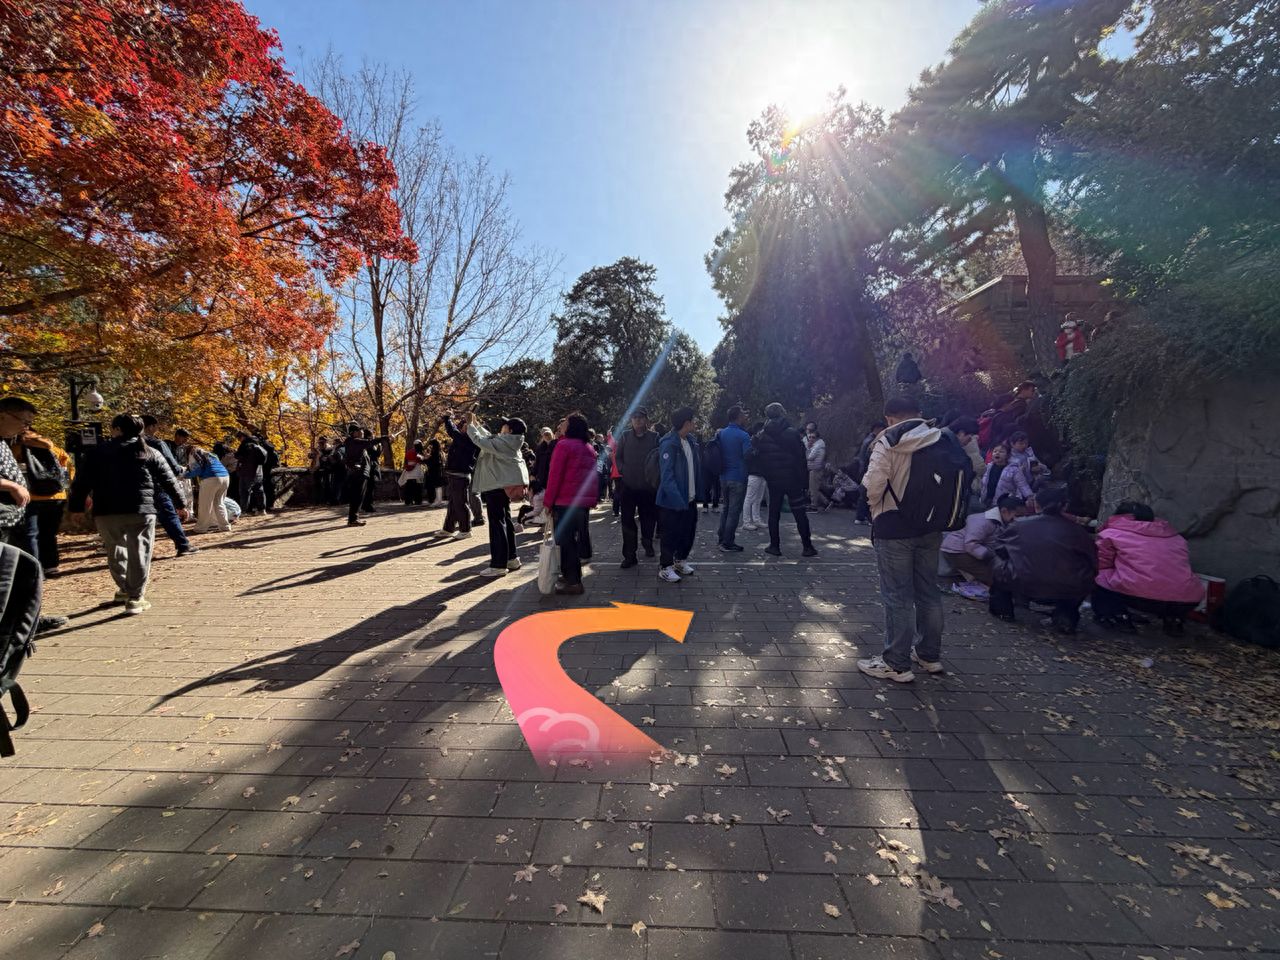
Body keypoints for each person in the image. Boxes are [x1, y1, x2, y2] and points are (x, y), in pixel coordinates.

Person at [858, 396, 970, 683]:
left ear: (889, 418)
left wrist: (874, 508)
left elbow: (874, 484)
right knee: (928, 592)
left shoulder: (889, 440)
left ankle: (896, 663)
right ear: (919, 414)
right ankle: (929, 655)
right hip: (932, 526)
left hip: (894, 526)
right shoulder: (942, 437)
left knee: (897, 596)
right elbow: (973, 468)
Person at [67, 414, 189, 614]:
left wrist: (76, 507)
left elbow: (81, 482)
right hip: (141, 509)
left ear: (116, 429)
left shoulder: (97, 452)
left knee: (115, 550)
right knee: (140, 551)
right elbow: (169, 480)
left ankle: (124, 588)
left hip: (107, 510)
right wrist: (181, 504)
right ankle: (135, 597)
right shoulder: (149, 451)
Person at [988, 485, 1097, 634]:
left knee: (998, 561)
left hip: (1025, 582)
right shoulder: (1079, 532)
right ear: (1065, 506)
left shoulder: (1019, 525)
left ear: (1036, 504)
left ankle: (1003, 610)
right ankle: (1066, 616)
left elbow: (999, 549)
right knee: (1083, 575)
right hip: (1069, 587)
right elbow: (1092, 560)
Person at [1092, 501, 1204, 636]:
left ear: (1118, 515)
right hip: (1187, 600)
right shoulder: (1176, 537)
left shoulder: (1112, 534)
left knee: (1098, 574)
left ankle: (1115, 615)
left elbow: (1101, 563)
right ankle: (1174, 619)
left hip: (1138, 595)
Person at [1, 398, 71, 576]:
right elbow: (68, 465)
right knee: (45, 534)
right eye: (24, 421)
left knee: (33, 536)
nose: (26, 426)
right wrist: (12, 486)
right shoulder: (47, 447)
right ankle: (40, 569)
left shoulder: (8, 443)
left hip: (21, 508)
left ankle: (35, 570)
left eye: (29, 423)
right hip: (45, 499)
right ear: (3, 416)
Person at [751, 403, 817, 558]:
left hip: (773, 480)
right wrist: (804, 481)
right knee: (799, 513)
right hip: (792, 479)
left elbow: (757, 455)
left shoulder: (761, 435)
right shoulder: (792, 433)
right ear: (782, 413)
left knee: (773, 513)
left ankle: (774, 546)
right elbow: (801, 458)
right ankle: (807, 547)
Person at [466, 413, 529, 576]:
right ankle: (511, 558)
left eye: (506, 425)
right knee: (505, 521)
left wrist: (470, 426)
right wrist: (476, 424)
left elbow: (480, 441)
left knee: (497, 523)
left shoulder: (505, 442)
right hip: (502, 484)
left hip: (496, 484)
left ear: (510, 430)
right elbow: (489, 438)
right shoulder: (510, 441)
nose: (502, 427)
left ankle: (498, 565)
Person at [544, 413, 598, 595]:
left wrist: (548, 502)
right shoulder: (588, 448)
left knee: (565, 542)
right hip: (580, 504)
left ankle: (573, 581)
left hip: (565, 502)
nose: (562, 426)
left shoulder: (564, 446)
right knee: (573, 541)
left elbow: (554, 476)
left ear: (571, 426)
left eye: (565, 422)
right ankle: (571, 576)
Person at [939, 495, 1028, 587]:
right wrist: (990, 556)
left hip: (971, 550)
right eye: (1018, 516)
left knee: (997, 570)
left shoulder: (1002, 521)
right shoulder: (983, 521)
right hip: (956, 550)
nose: (1020, 520)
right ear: (1004, 511)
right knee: (992, 575)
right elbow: (970, 544)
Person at [656, 407, 701, 583]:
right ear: (686, 423)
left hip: (689, 500)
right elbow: (667, 477)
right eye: (693, 420)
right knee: (670, 535)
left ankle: (680, 561)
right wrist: (677, 501)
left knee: (687, 534)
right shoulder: (669, 443)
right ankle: (665, 567)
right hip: (672, 502)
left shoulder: (690, 441)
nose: (695, 423)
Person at [143, 415, 197, 555]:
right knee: (168, 514)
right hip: (156, 485)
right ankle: (183, 545)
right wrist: (180, 502)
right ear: (151, 427)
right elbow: (170, 468)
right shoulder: (158, 444)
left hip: (129, 489)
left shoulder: (115, 445)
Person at [614, 408, 659, 568]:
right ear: (631, 420)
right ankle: (629, 556)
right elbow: (617, 457)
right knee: (627, 521)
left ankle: (647, 542)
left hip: (648, 488)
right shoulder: (625, 436)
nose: (638, 420)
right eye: (634, 417)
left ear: (646, 419)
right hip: (628, 487)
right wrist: (622, 469)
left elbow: (659, 459)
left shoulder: (654, 437)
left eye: (641, 417)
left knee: (648, 519)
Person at [716, 405, 751, 552]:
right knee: (734, 511)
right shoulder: (743, 436)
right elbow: (748, 455)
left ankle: (721, 537)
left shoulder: (721, 433)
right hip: (738, 477)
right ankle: (728, 542)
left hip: (723, 476)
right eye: (743, 414)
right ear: (738, 417)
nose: (745, 416)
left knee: (726, 508)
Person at [442, 412, 483, 538]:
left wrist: (448, 418)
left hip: (461, 475)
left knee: (460, 503)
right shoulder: (465, 438)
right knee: (454, 504)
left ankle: (466, 530)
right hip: (456, 474)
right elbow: (455, 431)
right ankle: (448, 529)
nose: (464, 428)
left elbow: (452, 431)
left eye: (467, 427)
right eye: (464, 426)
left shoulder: (469, 440)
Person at [340, 423, 384, 527]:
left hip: (360, 473)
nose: (362, 432)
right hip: (358, 474)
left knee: (358, 496)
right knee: (357, 496)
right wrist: (384, 438)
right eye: (359, 430)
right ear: (353, 433)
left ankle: (353, 518)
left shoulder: (353, 442)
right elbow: (370, 442)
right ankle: (353, 519)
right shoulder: (353, 441)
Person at [184, 446, 231, 533]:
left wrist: (185, 475)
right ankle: (225, 526)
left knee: (205, 505)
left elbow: (198, 470)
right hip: (225, 476)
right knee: (219, 503)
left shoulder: (194, 453)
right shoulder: (210, 454)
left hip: (211, 478)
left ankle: (201, 528)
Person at [948, 417, 985, 503]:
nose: (971, 440)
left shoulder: (954, 445)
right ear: (961, 433)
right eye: (970, 437)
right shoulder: (946, 448)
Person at [234, 430, 268, 518]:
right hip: (258, 472)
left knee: (244, 491)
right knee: (259, 490)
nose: (239, 440)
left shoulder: (245, 445)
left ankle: (243, 511)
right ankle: (262, 509)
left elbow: (239, 456)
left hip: (247, 472)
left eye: (239, 437)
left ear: (243, 437)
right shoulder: (258, 444)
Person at [742, 420, 767, 531]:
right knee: (750, 498)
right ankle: (746, 521)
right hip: (754, 474)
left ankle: (756, 519)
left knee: (758, 499)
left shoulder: (762, 442)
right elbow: (747, 456)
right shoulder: (752, 441)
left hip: (762, 473)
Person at [803, 421, 828, 510]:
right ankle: (825, 502)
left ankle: (814, 505)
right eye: (808, 430)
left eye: (813, 437)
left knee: (813, 488)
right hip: (813, 468)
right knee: (813, 487)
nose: (810, 438)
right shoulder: (815, 444)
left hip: (815, 469)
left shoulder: (818, 445)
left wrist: (808, 448)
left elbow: (809, 457)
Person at [255, 429, 279, 511]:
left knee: (262, 488)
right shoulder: (270, 447)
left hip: (263, 469)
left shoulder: (259, 447)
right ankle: (270, 504)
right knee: (270, 487)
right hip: (270, 469)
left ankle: (263, 506)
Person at [359, 428, 380, 514]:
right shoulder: (369, 444)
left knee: (368, 487)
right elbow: (376, 454)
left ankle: (365, 505)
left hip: (369, 467)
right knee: (370, 487)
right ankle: (368, 505)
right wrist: (379, 445)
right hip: (371, 467)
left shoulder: (365, 443)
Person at [401, 439, 426, 505]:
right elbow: (422, 460)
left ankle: (408, 501)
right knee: (417, 486)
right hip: (416, 471)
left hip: (409, 472)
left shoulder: (409, 452)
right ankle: (418, 500)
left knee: (409, 487)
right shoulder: (419, 453)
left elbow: (406, 461)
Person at [423, 438, 444, 505]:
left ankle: (438, 501)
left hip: (435, 471)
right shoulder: (438, 452)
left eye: (431, 445)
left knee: (437, 485)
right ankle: (438, 500)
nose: (430, 447)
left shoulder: (435, 452)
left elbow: (432, 462)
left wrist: (425, 460)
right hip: (437, 470)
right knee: (438, 485)